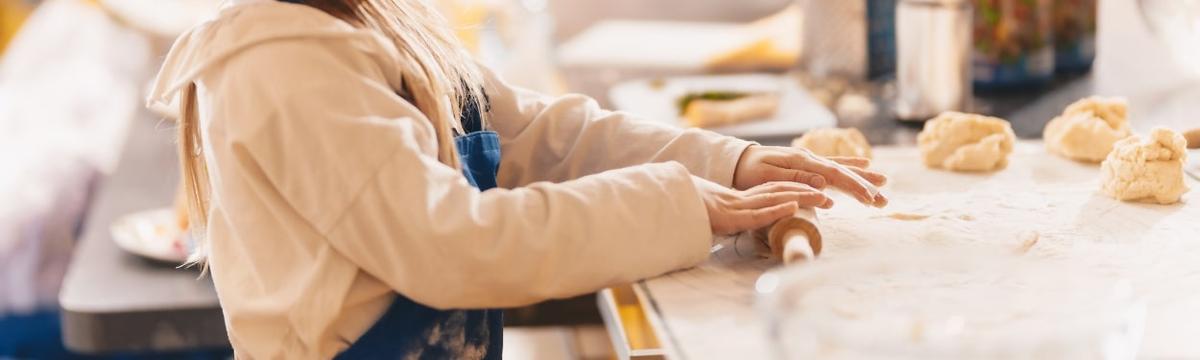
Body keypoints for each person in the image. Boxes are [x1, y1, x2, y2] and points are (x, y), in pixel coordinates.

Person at [147, 0, 889, 358]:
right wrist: (679, 204)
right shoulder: (283, 64)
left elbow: (533, 133)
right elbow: (454, 248)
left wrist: (725, 162)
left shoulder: (374, 20)